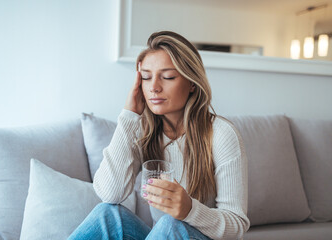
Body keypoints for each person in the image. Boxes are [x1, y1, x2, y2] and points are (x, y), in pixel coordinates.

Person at [68, 31, 250, 240]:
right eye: (146, 77)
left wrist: (190, 210)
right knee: (107, 215)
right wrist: (129, 116)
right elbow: (111, 195)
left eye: (168, 77)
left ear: (192, 82)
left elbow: (237, 226)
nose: (154, 87)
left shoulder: (221, 134)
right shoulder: (142, 131)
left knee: (171, 223)